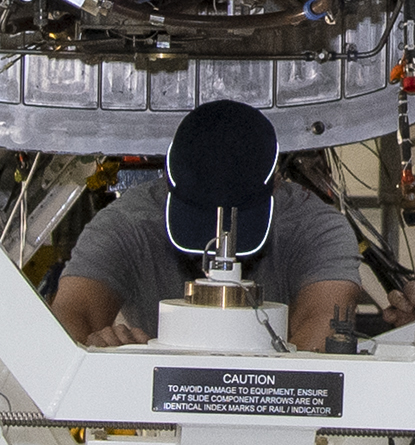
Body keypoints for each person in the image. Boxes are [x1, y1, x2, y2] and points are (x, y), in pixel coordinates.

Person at [56, 132, 365, 352]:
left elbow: (323, 330)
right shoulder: (128, 224)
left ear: (275, 181)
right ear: (171, 181)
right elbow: (67, 322)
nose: (220, 234)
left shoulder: (316, 228)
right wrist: (100, 354)